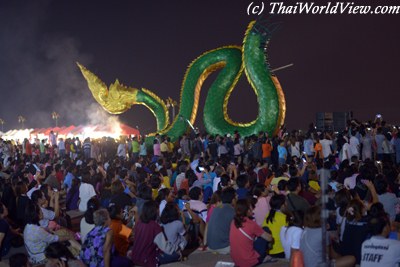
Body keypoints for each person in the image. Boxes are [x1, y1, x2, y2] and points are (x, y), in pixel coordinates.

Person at [129, 200, 181, 266]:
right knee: (177, 254)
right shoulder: (154, 226)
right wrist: (176, 248)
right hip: (147, 259)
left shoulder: (139, 222)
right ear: (155, 211)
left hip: (135, 257)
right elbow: (165, 247)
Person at [229, 199, 273, 266]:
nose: (252, 209)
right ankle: (263, 257)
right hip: (249, 261)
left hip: (236, 260)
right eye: (251, 207)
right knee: (266, 229)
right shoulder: (251, 224)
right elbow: (269, 238)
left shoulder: (233, 222)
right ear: (247, 210)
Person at [206, 187, 236, 254]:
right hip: (224, 247)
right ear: (233, 199)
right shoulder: (232, 211)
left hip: (211, 246)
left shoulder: (216, 209)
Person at [262, 194, 287, 258]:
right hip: (281, 250)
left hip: (269, 250)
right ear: (282, 205)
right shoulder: (283, 218)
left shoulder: (267, 216)